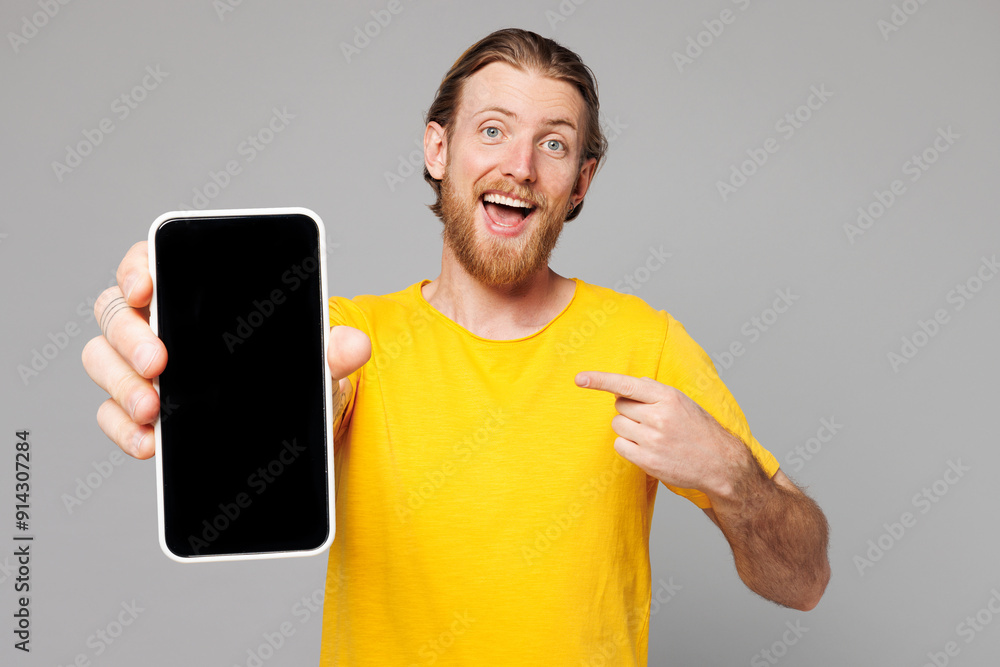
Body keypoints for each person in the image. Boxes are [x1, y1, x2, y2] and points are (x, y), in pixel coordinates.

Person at [83, 28, 829, 666]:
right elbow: (289, 402)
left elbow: (804, 581)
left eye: (555, 144)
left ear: (581, 183)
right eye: (494, 130)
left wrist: (734, 477)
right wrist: (177, 349)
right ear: (439, 149)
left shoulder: (647, 343)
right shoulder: (345, 337)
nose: (521, 166)